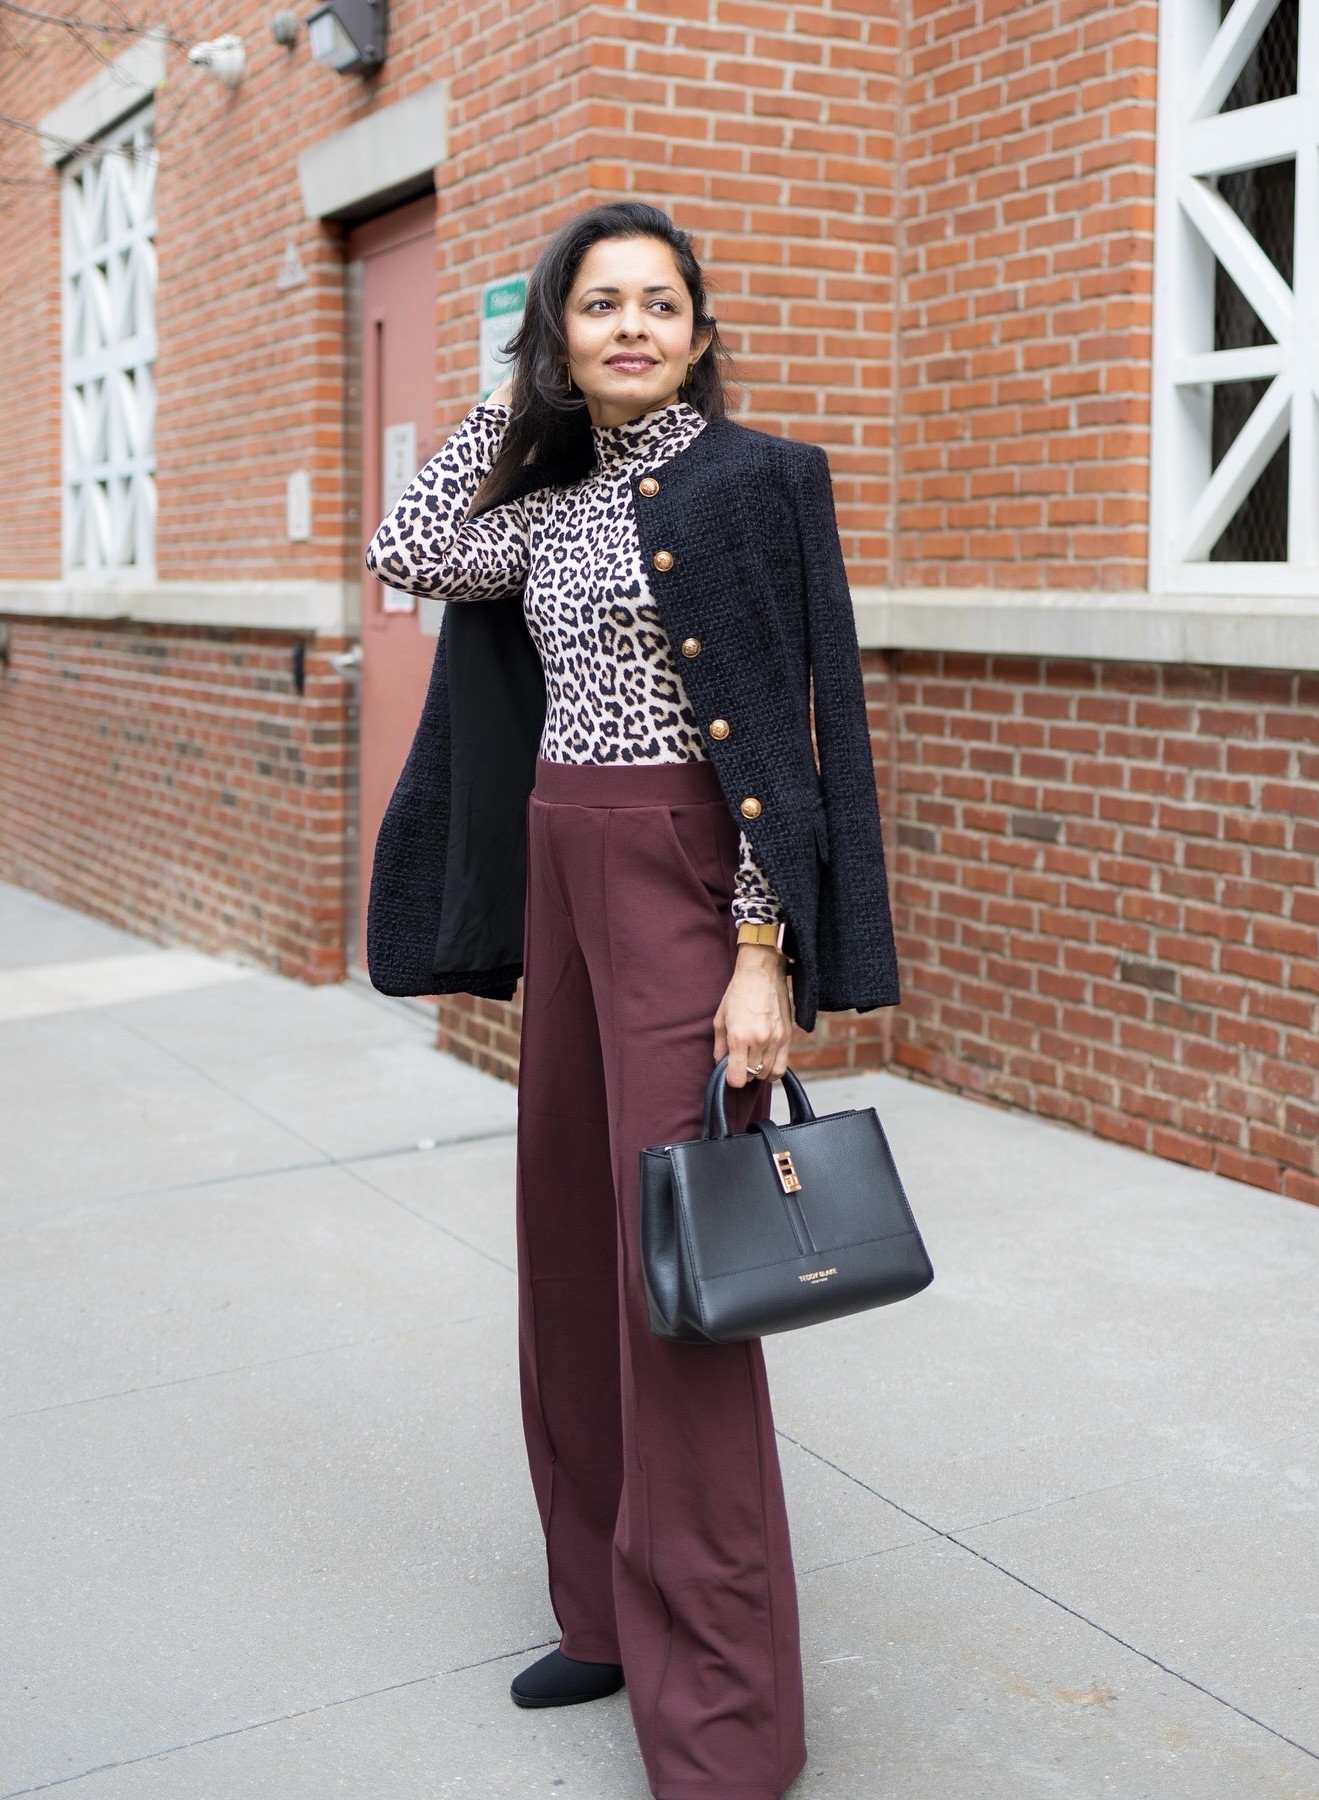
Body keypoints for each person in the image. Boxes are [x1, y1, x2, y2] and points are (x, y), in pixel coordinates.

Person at [365, 201, 898, 1800]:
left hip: (684, 872)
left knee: (688, 1281)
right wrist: (499, 393)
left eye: (660, 303)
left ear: (702, 329)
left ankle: (727, 1727)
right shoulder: (541, 499)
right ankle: (600, 1609)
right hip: (559, 868)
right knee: (571, 1249)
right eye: (597, 306)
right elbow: (406, 549)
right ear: (561, 335)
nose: (631, 326)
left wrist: (760, 952)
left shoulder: (760, 482)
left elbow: (795, 733)